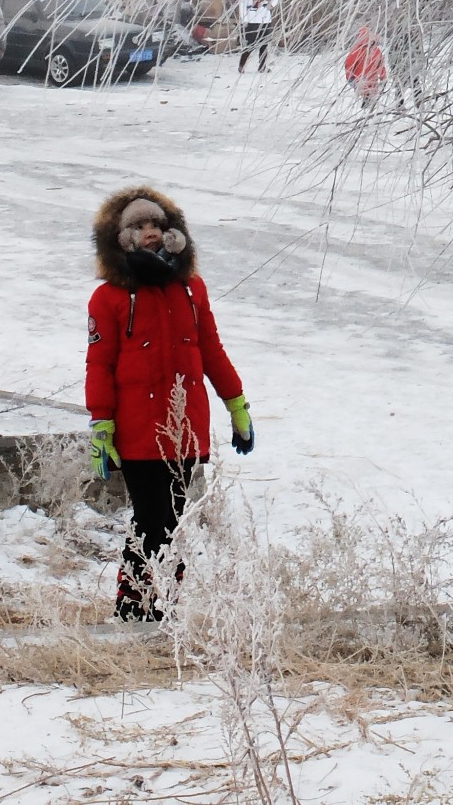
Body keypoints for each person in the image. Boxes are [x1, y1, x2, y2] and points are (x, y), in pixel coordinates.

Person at [85, 185, 255, 621]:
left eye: (157, 225)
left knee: (175, 521)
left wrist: (237, 404)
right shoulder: (108, 298)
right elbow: (99, 365)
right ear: (120, 236)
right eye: (139, 226)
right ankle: (133, 604)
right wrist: (101, 426)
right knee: (150, 519)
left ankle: (166, 604)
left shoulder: (192, 290)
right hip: (138, 434)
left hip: (185, 428)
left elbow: (212, 350)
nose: (150, 233)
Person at [237, 0, 278, 73]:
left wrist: (270, 6)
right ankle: (242, 66)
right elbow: (242, 4)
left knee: (264, 45)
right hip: (252, 20)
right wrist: (244, 19)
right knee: (250, 45)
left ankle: (262, 66)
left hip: (265, 20)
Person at [344, 25, 388, 106]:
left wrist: (350, 79)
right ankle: (367, 109)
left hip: (363, 80)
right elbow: (381, 66)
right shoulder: (375, 50)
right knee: (369, 98)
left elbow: (349, 66)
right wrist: (383, 77)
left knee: (369, 98)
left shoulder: (356, 51)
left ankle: (367, 109)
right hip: (367, 80)